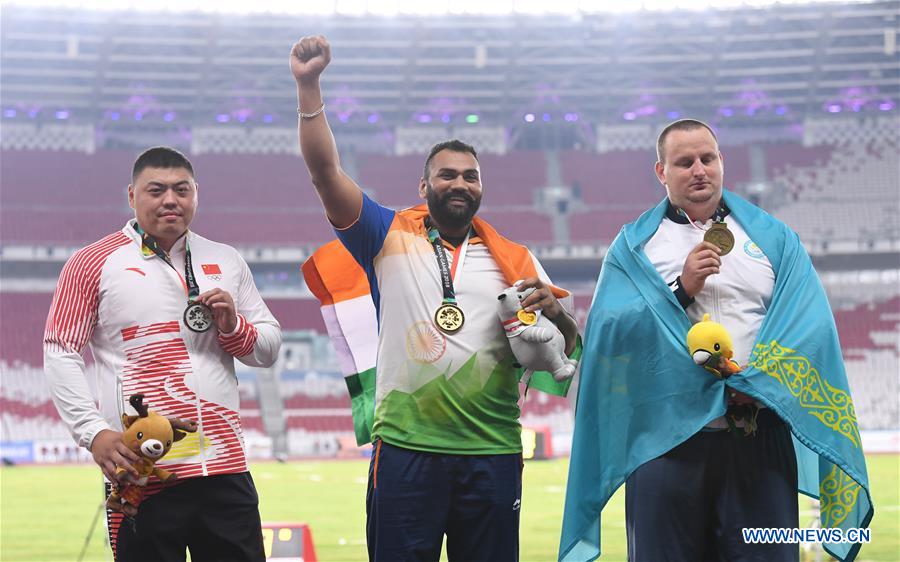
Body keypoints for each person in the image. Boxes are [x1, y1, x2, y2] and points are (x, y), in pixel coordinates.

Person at [291, 35, 580, 562]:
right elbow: (324, 173)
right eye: (447, 174)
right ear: (423, 185)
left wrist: (560, 313)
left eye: (471, 176)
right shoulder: (384, 234)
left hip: (491, 453)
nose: (460, 183)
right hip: (406, 451)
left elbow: (566, 351)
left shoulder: (516, 258)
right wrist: (308, 88)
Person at [559, 120, 872, 562]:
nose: (699, 170)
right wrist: (680, 290)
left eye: (708, 158)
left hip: (758, 441)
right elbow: (613, 340)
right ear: (661, 172)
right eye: (684, 162)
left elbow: (810, 327)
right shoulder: (633, 248)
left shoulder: (775, 239)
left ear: (722, 162)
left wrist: (759, 385)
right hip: (663, 444)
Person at [43, 146, 282, 562]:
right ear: (132, 196)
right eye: (156, 190)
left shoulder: (226, 259)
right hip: (141, 474)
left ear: (196, 195)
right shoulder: (91, 263)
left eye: (181, 189)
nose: (170, 199)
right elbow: (60, 350)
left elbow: (267, 348)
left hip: (224, 469)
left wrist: (233, 327)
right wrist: (93, 433)